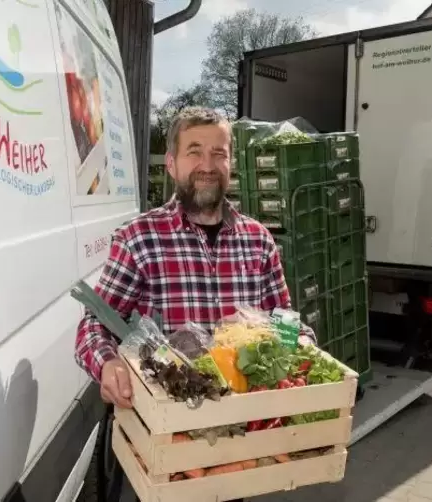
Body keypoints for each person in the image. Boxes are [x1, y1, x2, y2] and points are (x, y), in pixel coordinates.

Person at [75, 104, 295, 404]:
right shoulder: (139, 239)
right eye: (194, 152)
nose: (207, 165)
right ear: (171, 163)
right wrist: (108, 363)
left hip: (246, 418)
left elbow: (283, 320)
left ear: (230, 163)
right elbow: (95, 324)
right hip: (168, 417)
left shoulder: (258, 241)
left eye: (218, 154)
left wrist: (303, 343)